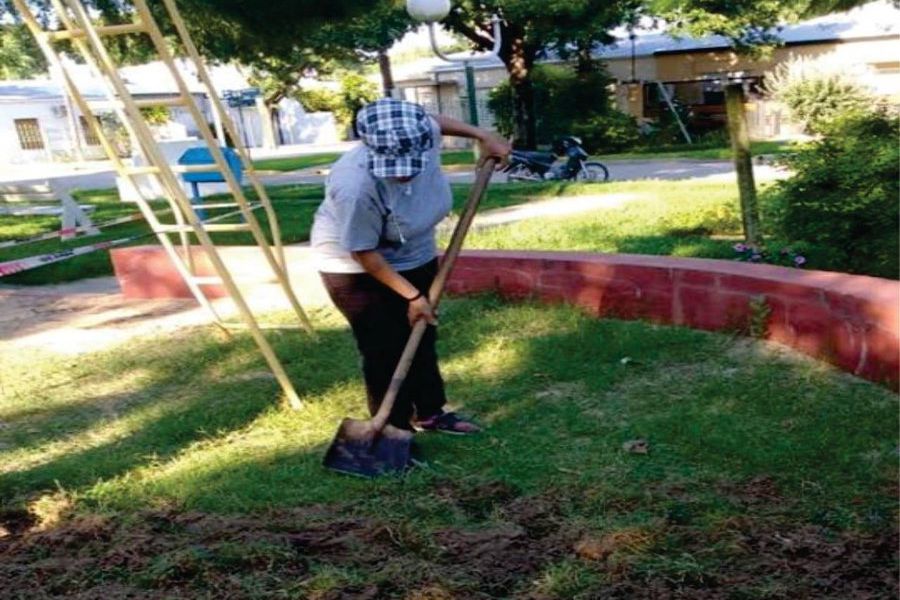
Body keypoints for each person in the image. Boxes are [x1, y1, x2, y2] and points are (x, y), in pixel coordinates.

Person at [311, 97, 510, 435]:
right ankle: (392, 428)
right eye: (394, 165)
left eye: (409, 164)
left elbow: (434, 120)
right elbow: (363, 252)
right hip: (353, 266)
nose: (402, 173)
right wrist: (412, 296)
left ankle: (431, 412)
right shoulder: (354, 186)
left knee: (422, 334)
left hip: (414, 251)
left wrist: (482, 135)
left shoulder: (419, 134)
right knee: (383, 346)